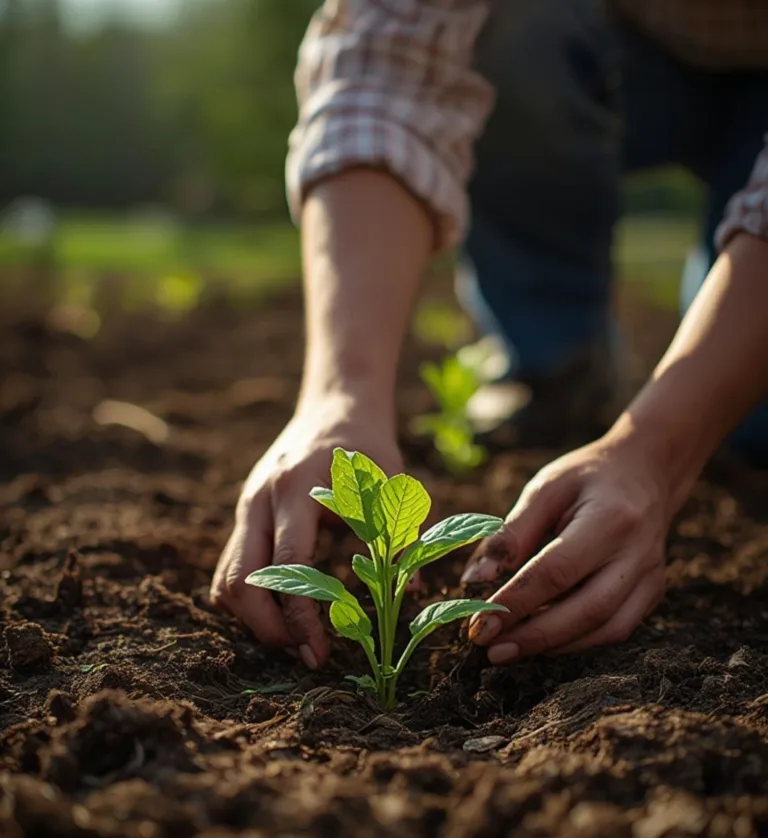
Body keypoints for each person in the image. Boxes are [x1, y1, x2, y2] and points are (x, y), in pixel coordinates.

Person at [211, 0, 768, 671]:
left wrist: (657, 453)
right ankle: (557, 373)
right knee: (515, 30)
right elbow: (382, 74)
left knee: (750, 428)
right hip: (613, 48)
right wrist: (340, 397)